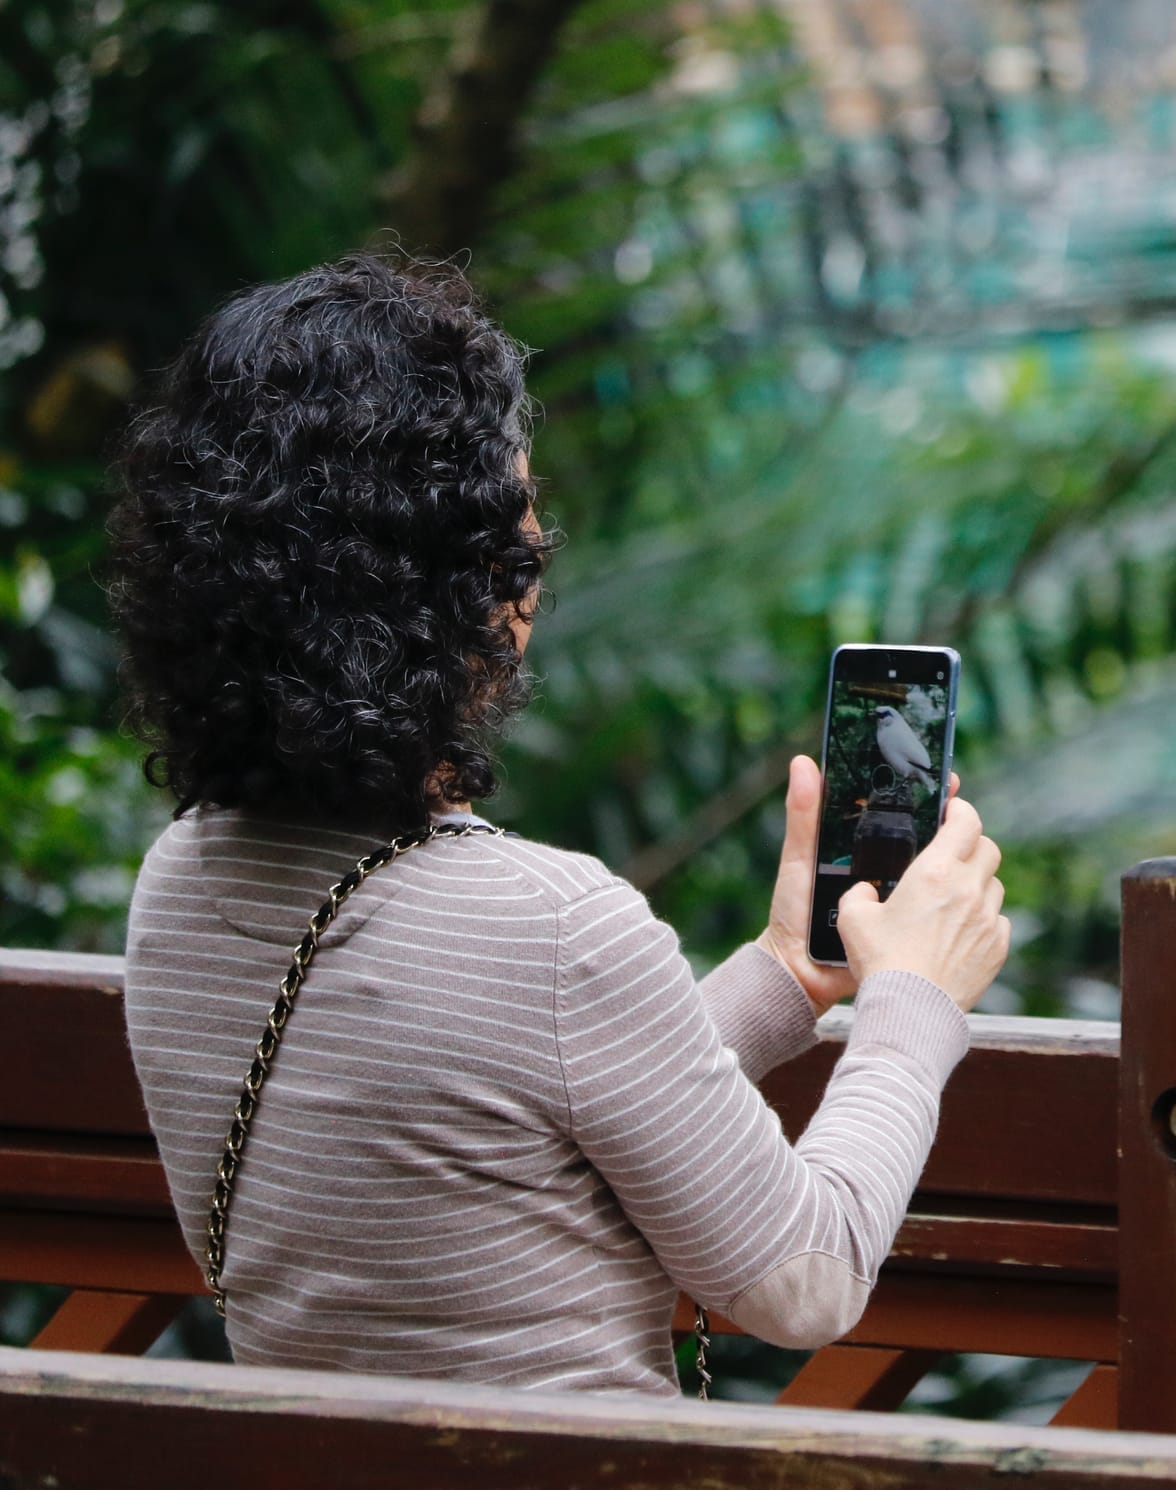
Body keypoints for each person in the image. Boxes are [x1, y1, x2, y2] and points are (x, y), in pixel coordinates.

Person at [107, 252, 1009, 1395]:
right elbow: (804, 1280)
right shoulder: (552, 924)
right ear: (471, 587)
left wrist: (783, 976)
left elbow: (497, 1122)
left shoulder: (178, 882)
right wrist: (913, 1002)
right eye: (517, 524)